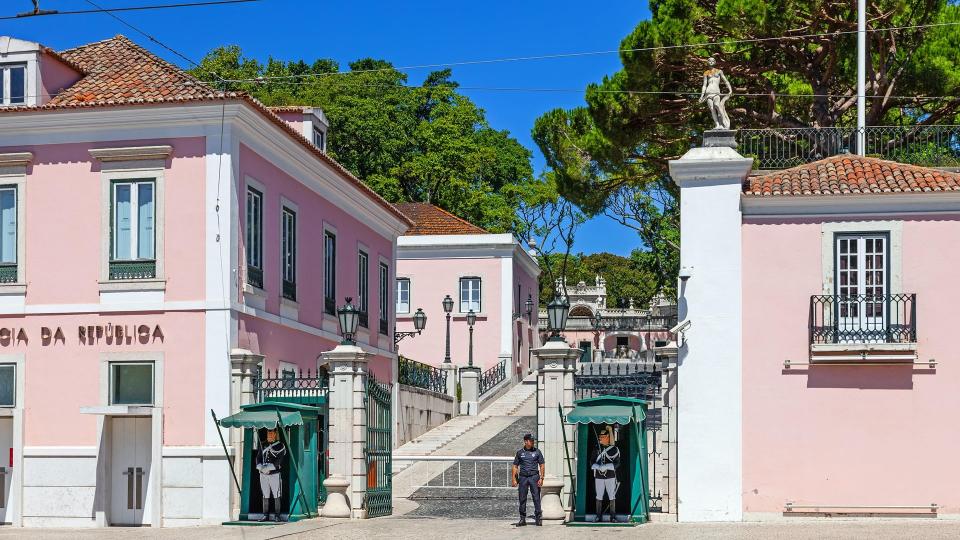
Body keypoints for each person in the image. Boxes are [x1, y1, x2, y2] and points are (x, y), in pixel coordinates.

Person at [512, 433, 544, 526]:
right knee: (522, 498)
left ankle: (538, 518)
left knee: (536, 498)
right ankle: (522, 519)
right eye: (531, 440)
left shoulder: (537, 452)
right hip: (523, 477)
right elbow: (515, 466)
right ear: (526, 441)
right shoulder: (520, 453)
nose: (533, 442)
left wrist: (542, 478)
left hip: (534, 477)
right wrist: (513, 478)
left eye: (533, 440)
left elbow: (542, 465)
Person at [590, 425, 621, 523]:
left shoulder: (614, 449)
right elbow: (591, 462)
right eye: (600, 437)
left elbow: (617, 463)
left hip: (610, 476)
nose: (600, 438)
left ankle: (613, 516)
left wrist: (607, 466)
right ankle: (598, 516)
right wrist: (597, 466)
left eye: (602, 437)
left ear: (608, 438)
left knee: (611, 496)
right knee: (599, 496)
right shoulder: (597, 449)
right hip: (598, 476)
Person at [256, 428, 287, 522]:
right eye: (268, 434)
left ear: (275, 435)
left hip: (274, 474)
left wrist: (268, 468)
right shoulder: (263, 444)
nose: (269, 436)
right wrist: (260, 467)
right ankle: (265, 515)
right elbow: (258, 458)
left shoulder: (280, 446)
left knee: (276, 494)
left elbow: (278, 461)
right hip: (263, 474)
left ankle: (277, 515)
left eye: (271, 434)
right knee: (265, 495)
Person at [698, 57, 733, 130]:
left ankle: (724, 122)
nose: (711, 62)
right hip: (708, 93)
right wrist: (702, 96)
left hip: (716, 92)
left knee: (717, 105)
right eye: (709, 61)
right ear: (707, 62)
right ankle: (717, 125)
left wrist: (730, 89)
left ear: (715, 62)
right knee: (712, 109)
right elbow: (704, 85)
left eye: (712, 61)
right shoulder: (706, 73)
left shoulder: (719, 71)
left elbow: (725, 81)